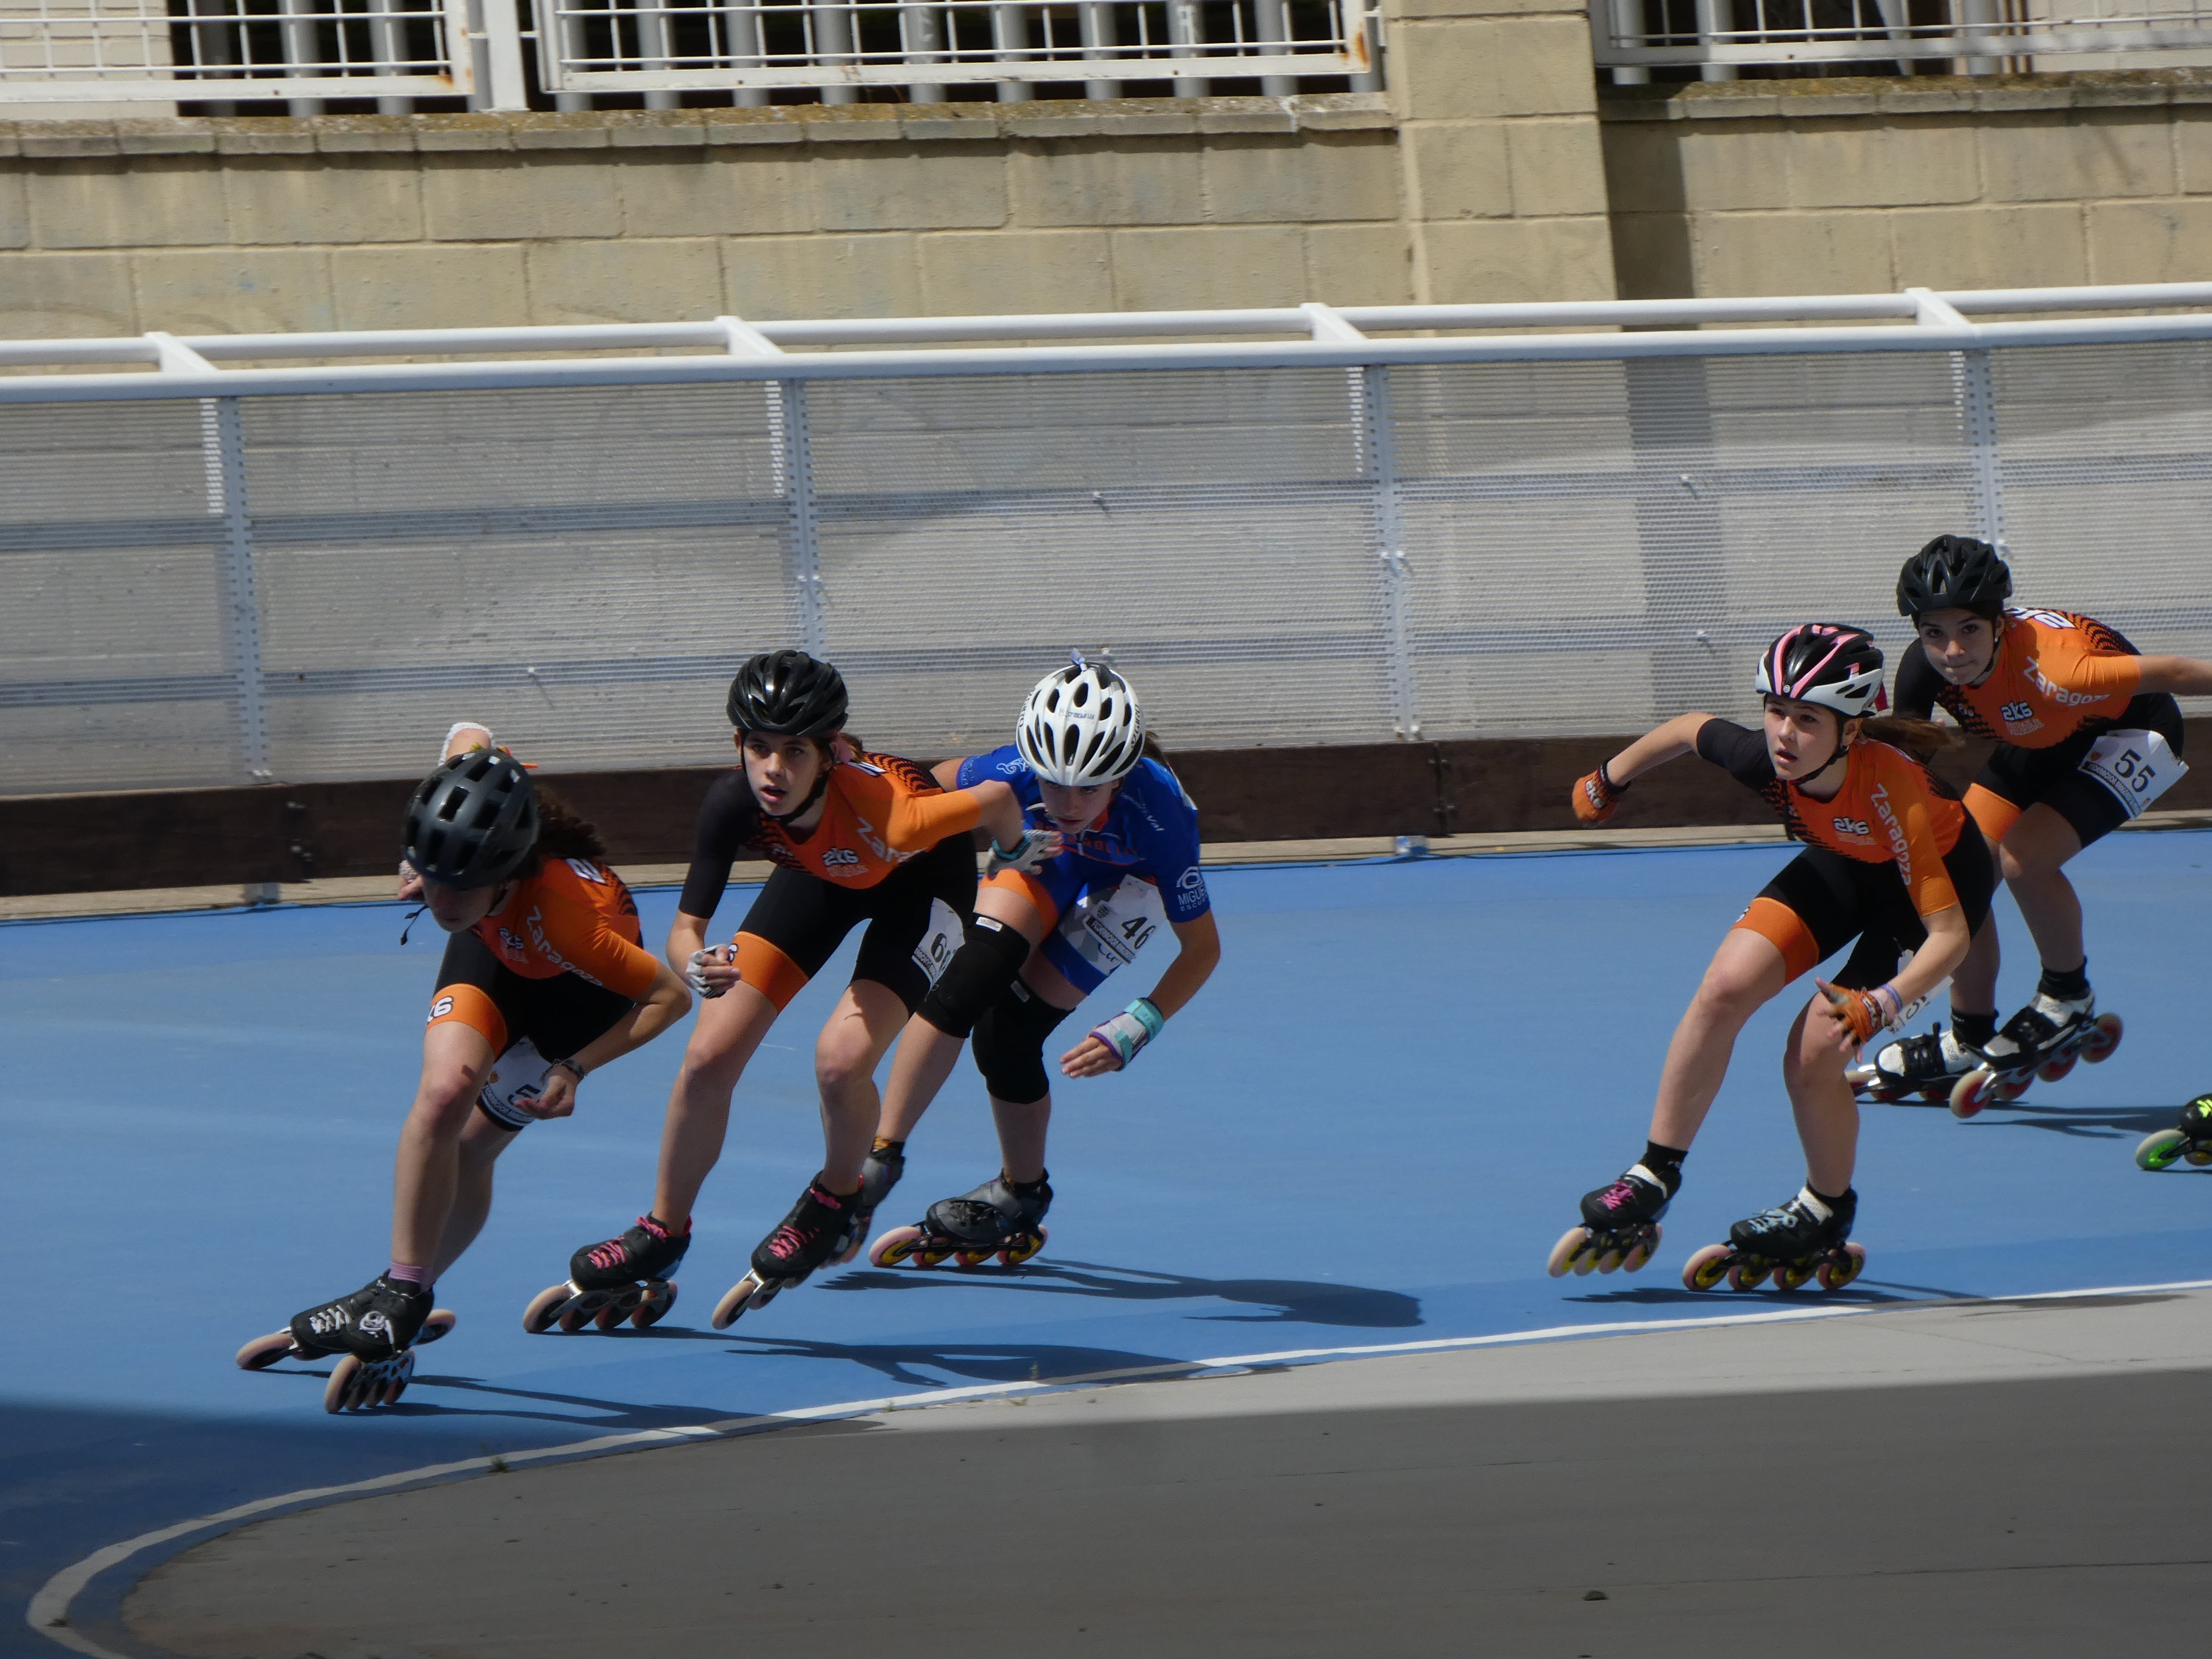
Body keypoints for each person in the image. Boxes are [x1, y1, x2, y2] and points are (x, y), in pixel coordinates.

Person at [540, 650, 1051, 1333]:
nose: (774, 769)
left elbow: (996, 800)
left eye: (794, 752)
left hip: (921, 885)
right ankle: (661, 1233)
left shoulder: (891, 810)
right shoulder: (734, 803)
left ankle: (837, 1198)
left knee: (841, 1060)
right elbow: (686, 930)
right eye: (759, 748)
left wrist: (1013, 855)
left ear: (831, 752)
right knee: (708, 1055)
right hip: (821, 878)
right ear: (739, 746)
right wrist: (696, 965)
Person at [238, 723, 693, 1411]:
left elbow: (671, 997)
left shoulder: (571, 921)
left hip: (575, 1000)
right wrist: (423, 860)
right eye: (431, 877)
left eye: (458, 886)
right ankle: (401, 1289)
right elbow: (467, 736)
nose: (434, 901)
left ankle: (400, 1292)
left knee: (475, 1148)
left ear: (506, 871)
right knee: (444, 1093)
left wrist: (575, 1067)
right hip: (497, 949)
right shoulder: (462, 859)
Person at [1552, 623, 1994, 1292]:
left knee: (1813, 1054)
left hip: (1933, 892)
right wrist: (1608, 779)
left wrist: (1886, 1003)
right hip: (1850, 861)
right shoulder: (1766, 758)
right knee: (1724, 986)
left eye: (1808, 719)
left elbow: (1951, 939)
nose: (1784, 734)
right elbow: (1688, 728)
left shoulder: (1893, 790)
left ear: (1851, 729)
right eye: (1776, 711)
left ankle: (1824, 1208)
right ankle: (1653, 1173)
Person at [861, 657, 1222, 1269]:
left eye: (1090, 787)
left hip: (1130, 883)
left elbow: (1203, 949)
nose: (1070, 801)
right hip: (1046, 855)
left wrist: (1139, 1023)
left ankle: (1021, 1194)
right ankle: (878, 1161)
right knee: (969, 980)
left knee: (1008, 1036)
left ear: (1122, 775)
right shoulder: (1017, 769)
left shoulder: (1162, 817)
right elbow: (923, 787)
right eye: (1054, 784)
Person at [1873, 535, 2209, 1108]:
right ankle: (1971, 1030)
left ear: (1999, 622)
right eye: (1935, 633)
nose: (1953, 651)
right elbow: (1905, 766)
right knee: (1959, 869)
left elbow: (2175, 672)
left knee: (2025, 860)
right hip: (2040, 739)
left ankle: (2067, 994)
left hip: (2131, 733)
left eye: (1969, 630)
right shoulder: (1922, 671)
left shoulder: (2060, 667)